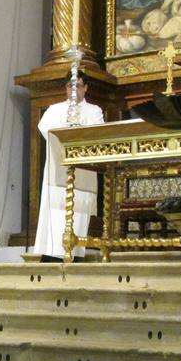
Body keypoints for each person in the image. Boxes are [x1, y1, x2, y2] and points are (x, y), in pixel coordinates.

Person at [34, 76, 105, 261]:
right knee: (56, 214)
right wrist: (65, 128)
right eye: (70, 85)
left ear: (86, 88)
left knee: (79, 214)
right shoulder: (54, 109)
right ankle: (52, 254)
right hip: (58, 171)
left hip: (83, 172)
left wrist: (78, 128)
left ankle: (75, 253)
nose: (74, 90)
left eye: (78, 86)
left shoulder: (94, 111)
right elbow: (45, 129)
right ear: (65, 88)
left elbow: (98, 132)